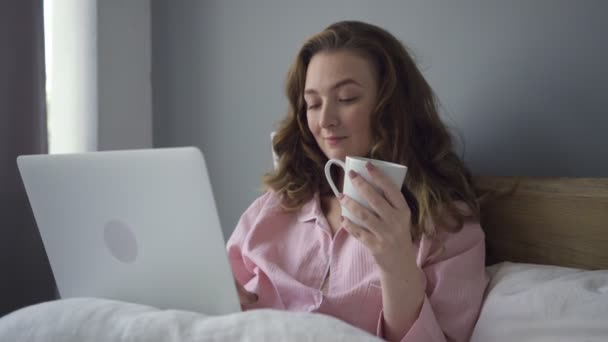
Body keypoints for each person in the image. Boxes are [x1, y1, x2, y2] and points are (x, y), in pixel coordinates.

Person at [227, 20, 489, 342]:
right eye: (313, 104)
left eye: (347, 98)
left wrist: (396, 265)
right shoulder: (275, 206)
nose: (325, 121)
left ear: (392, 106)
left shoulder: (447, 228)